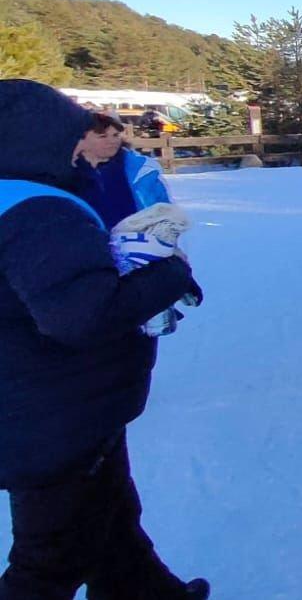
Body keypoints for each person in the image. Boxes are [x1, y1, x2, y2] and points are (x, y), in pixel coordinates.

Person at [0, 80, 208, 600]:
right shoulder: (40, 211)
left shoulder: (13, 196)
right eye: (72, 132)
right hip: (52, 416)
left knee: (114, 524)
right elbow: (84, 317)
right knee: (49, 561)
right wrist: (170, 274)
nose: (81, 144)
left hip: (57, 407)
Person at [74, 111, 171, 227]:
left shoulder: (141, 169)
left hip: (136, 240)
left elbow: (165, 213)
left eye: (115, 135)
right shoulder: (65, 173)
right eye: (102, 136)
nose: (112, 141)